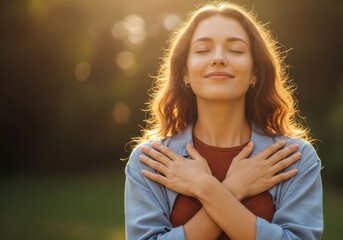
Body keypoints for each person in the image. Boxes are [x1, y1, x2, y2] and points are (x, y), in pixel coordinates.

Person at [125, 2, 323, 239]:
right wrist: (232, 189)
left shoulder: (295, 158)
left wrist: (206, 187)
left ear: (255, 73)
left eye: (236, 50)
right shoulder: (150, 161)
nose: (218, 58)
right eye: (202, 50)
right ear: (185, 73)